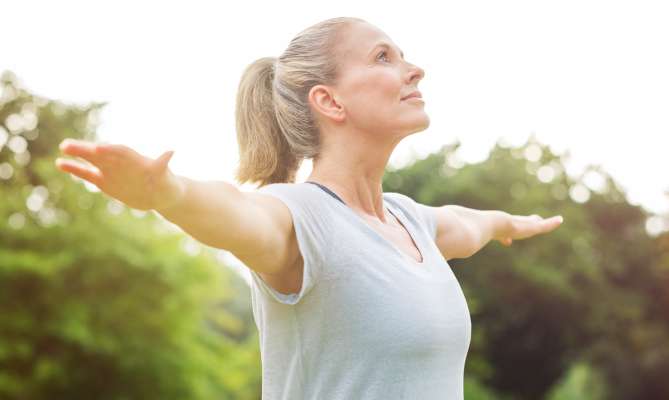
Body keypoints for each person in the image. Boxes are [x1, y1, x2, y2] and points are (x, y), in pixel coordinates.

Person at [55, 16, 563, 400]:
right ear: (330, 101)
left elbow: (469, 223)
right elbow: (235, 212)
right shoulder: (299, 218)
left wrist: (509, 223)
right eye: (384, 57)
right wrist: (168, 194)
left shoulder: (412, 221)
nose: (414, 69)